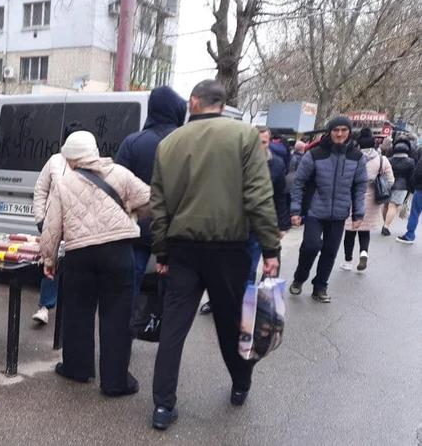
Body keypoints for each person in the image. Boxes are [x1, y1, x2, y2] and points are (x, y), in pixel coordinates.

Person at [149, 80, 281, 431]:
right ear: (221, 103)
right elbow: (258, 195)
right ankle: (240, 383)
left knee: (173, 327)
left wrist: (161, 250)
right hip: (228, 248)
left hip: (181, 248)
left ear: (194, 102)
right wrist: (270, 248)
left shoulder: (168, 143)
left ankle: (163, 406)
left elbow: (159, 206)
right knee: (230, 323)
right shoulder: (244, 136)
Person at [40, 131, 151, 398]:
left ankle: (78, 369)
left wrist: (48, 259)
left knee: (78, 312)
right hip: (117, 251)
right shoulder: (120, 174)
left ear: (71, 157)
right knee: (116, 315)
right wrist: (132, 213)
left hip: (80, 254)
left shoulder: (63, 182)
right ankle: (115, 382)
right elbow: (151, 200)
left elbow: (51, 225)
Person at [200, 126, 290, 315]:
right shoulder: (232, 162)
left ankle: (241, 305)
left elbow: (280, 197)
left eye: (263, 142)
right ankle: (217, 300)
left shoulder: (277, 165)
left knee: (249, 269)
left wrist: (282, 224)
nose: (258, 146)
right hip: (230, 227)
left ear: (269, 142)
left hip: (257, 228)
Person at [114, 86, 187, 297]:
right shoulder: (187, 143)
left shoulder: (133, 142)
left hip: (139, 228)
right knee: (173, 291)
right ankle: (165, 326)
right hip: (177, 230)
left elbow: (118, 188)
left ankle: (127, 326)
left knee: (131, 285)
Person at [290, 117, 367, 303]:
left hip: (339, 213)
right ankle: (300, 278)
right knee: (311, 246)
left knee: (330, 251)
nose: (339, 134)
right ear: (329, 132)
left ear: (349, 132)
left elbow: (360, 186)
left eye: (343, 130)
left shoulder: (356, 157)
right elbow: (298, 182)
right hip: (315, 211)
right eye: (335, 130)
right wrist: (295, 210)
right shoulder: (315, 154)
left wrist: (358, 213)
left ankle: (320, 287)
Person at [31, 122, 82, 324]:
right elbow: (40, 189)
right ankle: (44, 307)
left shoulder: (87, 163)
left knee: (75, 267)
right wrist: (40, 218)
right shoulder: (54, 161)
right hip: (52, 222)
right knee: (49, 262)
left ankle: (71, 310)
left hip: (77, 225)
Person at [340, 129, 393, 272]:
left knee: (350, 231)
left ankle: (348, 261)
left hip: (352, 198)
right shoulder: (382, 160)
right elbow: (390, 180)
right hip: (372, 201)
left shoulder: (352, 158)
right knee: (365, 231)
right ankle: (364, 252)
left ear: (359, 145)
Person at [382, 138, 415, 236]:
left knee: (385, 205)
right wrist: (411, 189)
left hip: (387, 185)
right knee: (393, 206)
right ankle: (386, 226)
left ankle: (385, 223)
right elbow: (411, 176)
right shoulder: (410, 161)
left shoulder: (388, 160)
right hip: (402, 186)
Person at [397, 151, 422, 244]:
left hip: (421, 189)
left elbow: (418, 172)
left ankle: (410, 235)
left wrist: (413, 185)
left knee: (415, 213)